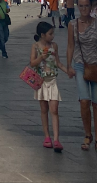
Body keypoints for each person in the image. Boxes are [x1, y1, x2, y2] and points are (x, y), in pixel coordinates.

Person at [67, 0, 97, 154]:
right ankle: (87, 134)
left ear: (91, 7)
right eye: (81, 6)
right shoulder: (72, 24)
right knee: (84, 101)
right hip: (80, 64)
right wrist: (68, 65)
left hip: (96, 65)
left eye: (87, 6)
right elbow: (70, 46)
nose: (84, 9)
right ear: (77, 7)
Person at [29, 22, 69, 153]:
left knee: (54, 109)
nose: (52, 36)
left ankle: (56, 139)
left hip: (52, 80)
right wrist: (41, 57)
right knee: (44, 109)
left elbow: (57, 63)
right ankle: (47, 136)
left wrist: (67, 71)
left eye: (53, 33)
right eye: (50, 34)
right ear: (42, 35)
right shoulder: (35, 46)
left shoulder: (54, 46)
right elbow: (32, 63)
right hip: (41, 81)